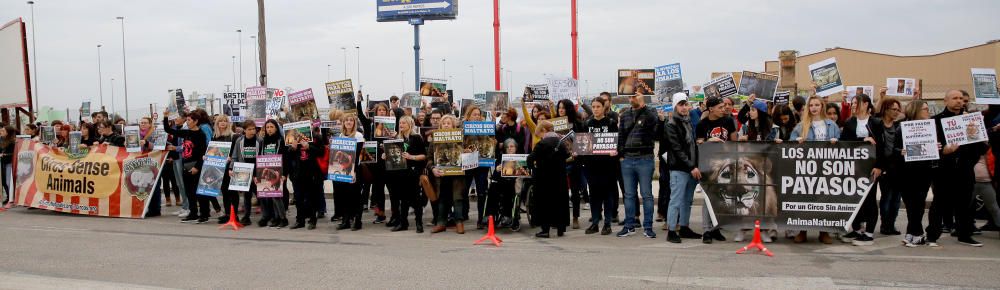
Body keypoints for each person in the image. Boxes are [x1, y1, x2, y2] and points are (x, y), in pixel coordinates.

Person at [928, 90, 986, 247]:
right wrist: (943, 152)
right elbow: (929, 146)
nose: (959, 101)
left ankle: (965, 234)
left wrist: (970, 160)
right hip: (943, 169)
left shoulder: (971, 120)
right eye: (955, 98)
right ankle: (932, 235)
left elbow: (980, 148)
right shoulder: (935, 121)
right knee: (939, 203)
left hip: (965, 169)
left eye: (961, 98)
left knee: (965, 203)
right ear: (945, 101)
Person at [789, 96, 841, 244]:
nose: (814, 107)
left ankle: (824, 232)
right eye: (811, 105)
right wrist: (796, 141)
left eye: (817, 104)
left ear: (822, 106)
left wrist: (836, 143)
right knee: (805, 199)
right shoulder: (801, 126)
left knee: (825, 200)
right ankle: (802, 231)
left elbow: (842, 146)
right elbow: (790, 142)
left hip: (827, 168)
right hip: (807, 168)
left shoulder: (832, 125)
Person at [616, 89, 659, 239]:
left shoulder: (650, 112)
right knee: (629, 195)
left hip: (645, 158)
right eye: (630, 96)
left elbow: (654, 124)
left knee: (646, 194)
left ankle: (648, 226)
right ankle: (629, 225)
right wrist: (621, 155)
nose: (632, 98)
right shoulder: (625, 114)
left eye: (635, 96)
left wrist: (643, 105)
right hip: (627, 159)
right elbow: (620, 136)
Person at [839, 94, 881, 246]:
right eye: (852, 103)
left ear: (866, 104)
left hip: (871, 168)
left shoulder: (876, 123)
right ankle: (856, 229)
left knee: (870, 200)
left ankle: (869, 233)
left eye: (856, 103)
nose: (853, 105)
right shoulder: (850, 122)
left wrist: (879, 166)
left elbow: (881, 146)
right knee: (855, 199)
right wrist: (863, 140)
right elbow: (844, 143)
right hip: (853, 167)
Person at [695, 97, 737, 243]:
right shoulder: (702, 124)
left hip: (724, 165)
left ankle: (716, 228)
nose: (723, 109)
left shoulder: (728, 121)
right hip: (708, 165)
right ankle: (707, 230)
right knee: (708, 199)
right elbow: (698, 144)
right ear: (711, 109)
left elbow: (733, 142)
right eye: (720, 107)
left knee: (720, 198)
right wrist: (708, 141)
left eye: (724, 106)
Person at [162, 109, 212, 224]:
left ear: (195, 121)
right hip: (186, 164)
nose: (187, 122)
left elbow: (202, 153)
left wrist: (197, 167)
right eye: (187, 120)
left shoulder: (200, 135)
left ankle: (204, 214)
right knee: (189, 191)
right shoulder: (186, 132)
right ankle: (193, 213)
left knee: (199, 192)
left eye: (189, 120)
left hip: (196, 165)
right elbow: (168, 129)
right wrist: (165, 117)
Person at [898, 100, 935, 247]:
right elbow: (893, 147)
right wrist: (900, 151)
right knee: (910, 202)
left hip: (924, 170)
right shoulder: (902, 127)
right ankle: (915, 233)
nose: (928, 112)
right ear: (916, 111)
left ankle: (914, 233)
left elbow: (933, 145)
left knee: (919, 202)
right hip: (907, 170)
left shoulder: (931, 126)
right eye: (925, 109)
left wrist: (936, 146)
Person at [580, 98, 619, 235]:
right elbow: (583, 144)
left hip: (607, 166)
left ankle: (607, 224)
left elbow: (616, 143)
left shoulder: (611, 123)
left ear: (604, 107)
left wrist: (615, 151)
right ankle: (595, 222)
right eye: (594, 106)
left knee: (607, 195)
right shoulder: (587, 124)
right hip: (591, 166)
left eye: (598, 106)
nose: (595, 109)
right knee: (594, 195)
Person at [527, 120, 570, 238]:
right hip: (560, 178)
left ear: (544, 131)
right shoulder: (561, 142)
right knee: (560, 202)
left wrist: (532, 168)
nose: (539, 137)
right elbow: (567, 155)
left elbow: (530, 158)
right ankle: (561, 228)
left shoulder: (542, 144)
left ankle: (545, 230)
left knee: (544, 203)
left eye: (539, 134)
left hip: (544, 178)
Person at [664, 96, 698, 243]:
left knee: (687, 200)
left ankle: (684, 227)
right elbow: (677, 148)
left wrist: (695, 165)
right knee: (676, 200)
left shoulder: (688, 121)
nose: (684, 107)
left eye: (686, 104)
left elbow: (692, 145)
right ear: (675, 106)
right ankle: (671, 231)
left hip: (691, 168)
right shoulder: (671, 124)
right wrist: (691, 166)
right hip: (679, 168)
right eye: (680, 104)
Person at [386, 116, 427, 233]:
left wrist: (411, 157)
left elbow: (424, 156)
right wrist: (386, 156)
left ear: (410, 124)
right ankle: (403, 223)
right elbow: (393, 156)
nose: (401, 125)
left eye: (404, 123)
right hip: (399, 172)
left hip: (413, 172)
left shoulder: (416, 138)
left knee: (416, 198)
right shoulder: (397, 139)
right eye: (400, 123)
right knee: (402, 199)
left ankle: (419, 223)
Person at [429, 115, 469, 234]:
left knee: (457, 199)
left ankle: (459, 222)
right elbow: (429, 158)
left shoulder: (460, 139)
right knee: (442, 198)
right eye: (444, 123)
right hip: (441, 175)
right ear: (440, 125)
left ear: (453, 125)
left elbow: (468, 156)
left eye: (449, 123)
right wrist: (432, 169)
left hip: (457, 175)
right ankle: (441, 223)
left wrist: (466, 153)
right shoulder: (435, 139)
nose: (446, 125)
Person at [874, 98, 904, 236]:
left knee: (896, 199)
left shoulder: (900, 126)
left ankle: (891, 224)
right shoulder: (877, 124)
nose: (897, 112)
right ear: (886, 109)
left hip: (898, 166)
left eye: (898, 109)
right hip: (883, 166)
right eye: (894, 109)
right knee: (887, 197)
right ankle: (885, 225)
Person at [334, 113, 365, 231]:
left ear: (354, 123)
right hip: (343, 171)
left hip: (355, 170)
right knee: (344, 196)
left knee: (356, 196)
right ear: (343, 123)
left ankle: (358, 221)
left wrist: (354, 172)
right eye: (346, 120)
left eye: (351, 120)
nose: (348, 122)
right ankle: (346, 220)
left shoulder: (358, 135)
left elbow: (357, 156)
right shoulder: (341, 135)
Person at [257, 119, 289, 229]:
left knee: (277, 197)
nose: (269, 129)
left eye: (272, 127)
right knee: (269, 196)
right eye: (267, 127)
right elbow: (260, 157)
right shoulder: (263, 141)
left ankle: (283, 218)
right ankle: (275, 217)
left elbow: (286, 158)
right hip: (266, 171)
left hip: (278, 171)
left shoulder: (281, 140)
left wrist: (285, 174)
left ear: (276, 128)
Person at [230, 120, 259, 226]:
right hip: (244, 170)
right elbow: (235, 156)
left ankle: (268, 215)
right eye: (250, 129)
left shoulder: (259, 141)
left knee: (260, 194)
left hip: (256, 172)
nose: (252, 131)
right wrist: (231, 168)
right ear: (245, 130)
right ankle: (246, 217)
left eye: (254, 129)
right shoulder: (239, 141)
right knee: (246, 196)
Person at [0, 126, 16, 206]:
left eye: (3, 131)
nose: (1, 132)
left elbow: (13, 154)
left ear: (8, 132)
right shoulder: (2, 140)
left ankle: (12, 199)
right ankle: (9, 197)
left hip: (9, 163)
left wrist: (4, 155)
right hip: (3, 163)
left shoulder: (12, 142)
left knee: (8, 182)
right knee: (4, 182)